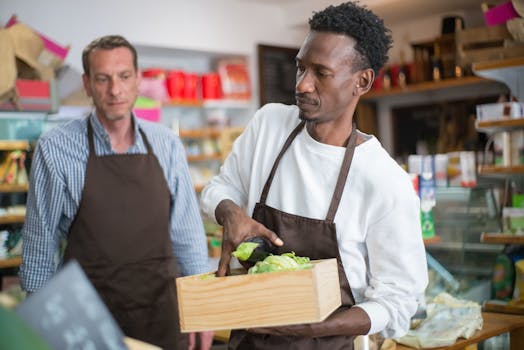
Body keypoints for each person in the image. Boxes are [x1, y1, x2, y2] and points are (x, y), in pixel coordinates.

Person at [200, 2, 428, 349]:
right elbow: (220, 188)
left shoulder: (383, 180)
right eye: (300, 68)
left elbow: (400, 300)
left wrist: (312, 328)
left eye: (321, 73)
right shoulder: (269, 125)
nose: (303, 85)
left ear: (362, 81)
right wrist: (230, 212)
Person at [20, 35, 213, 350]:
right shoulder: (55, 148)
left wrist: (204, 311)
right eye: (102, 79)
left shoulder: (167, 145)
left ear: (138, 79)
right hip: (88, 321)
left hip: (162, 315)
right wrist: (38, 323)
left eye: (124, 77)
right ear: (87, 83)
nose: (115, 90)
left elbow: (187, 237)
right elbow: (40, 244)